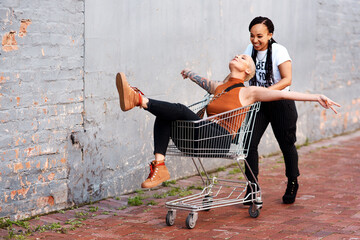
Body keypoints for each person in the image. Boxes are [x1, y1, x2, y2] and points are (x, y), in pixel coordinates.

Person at [115, 54, 340, 189]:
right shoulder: (219, 87)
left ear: (248, 70)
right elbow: (202, 81)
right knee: (165, 114)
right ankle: (160, 167)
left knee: (179, 109)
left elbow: (284, 94)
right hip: (199, 137)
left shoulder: (250, 91)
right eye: (237, 55)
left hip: (219, 140)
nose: (237, 56)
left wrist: (317, 97)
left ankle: (137, 98)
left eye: (242, 58)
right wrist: (189, 72)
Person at [242, 16, 301, 204]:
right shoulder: (249, 50)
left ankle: (292, 181)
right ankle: (252, 187)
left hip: (281, 102)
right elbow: (240, 73)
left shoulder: (278, 50)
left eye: (259, 36)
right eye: (252, 36)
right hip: (259, 104)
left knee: (286, 144)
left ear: (270, 34)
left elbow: (287, 79)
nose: (255, 40)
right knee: (248, 144)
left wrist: (264, 92)